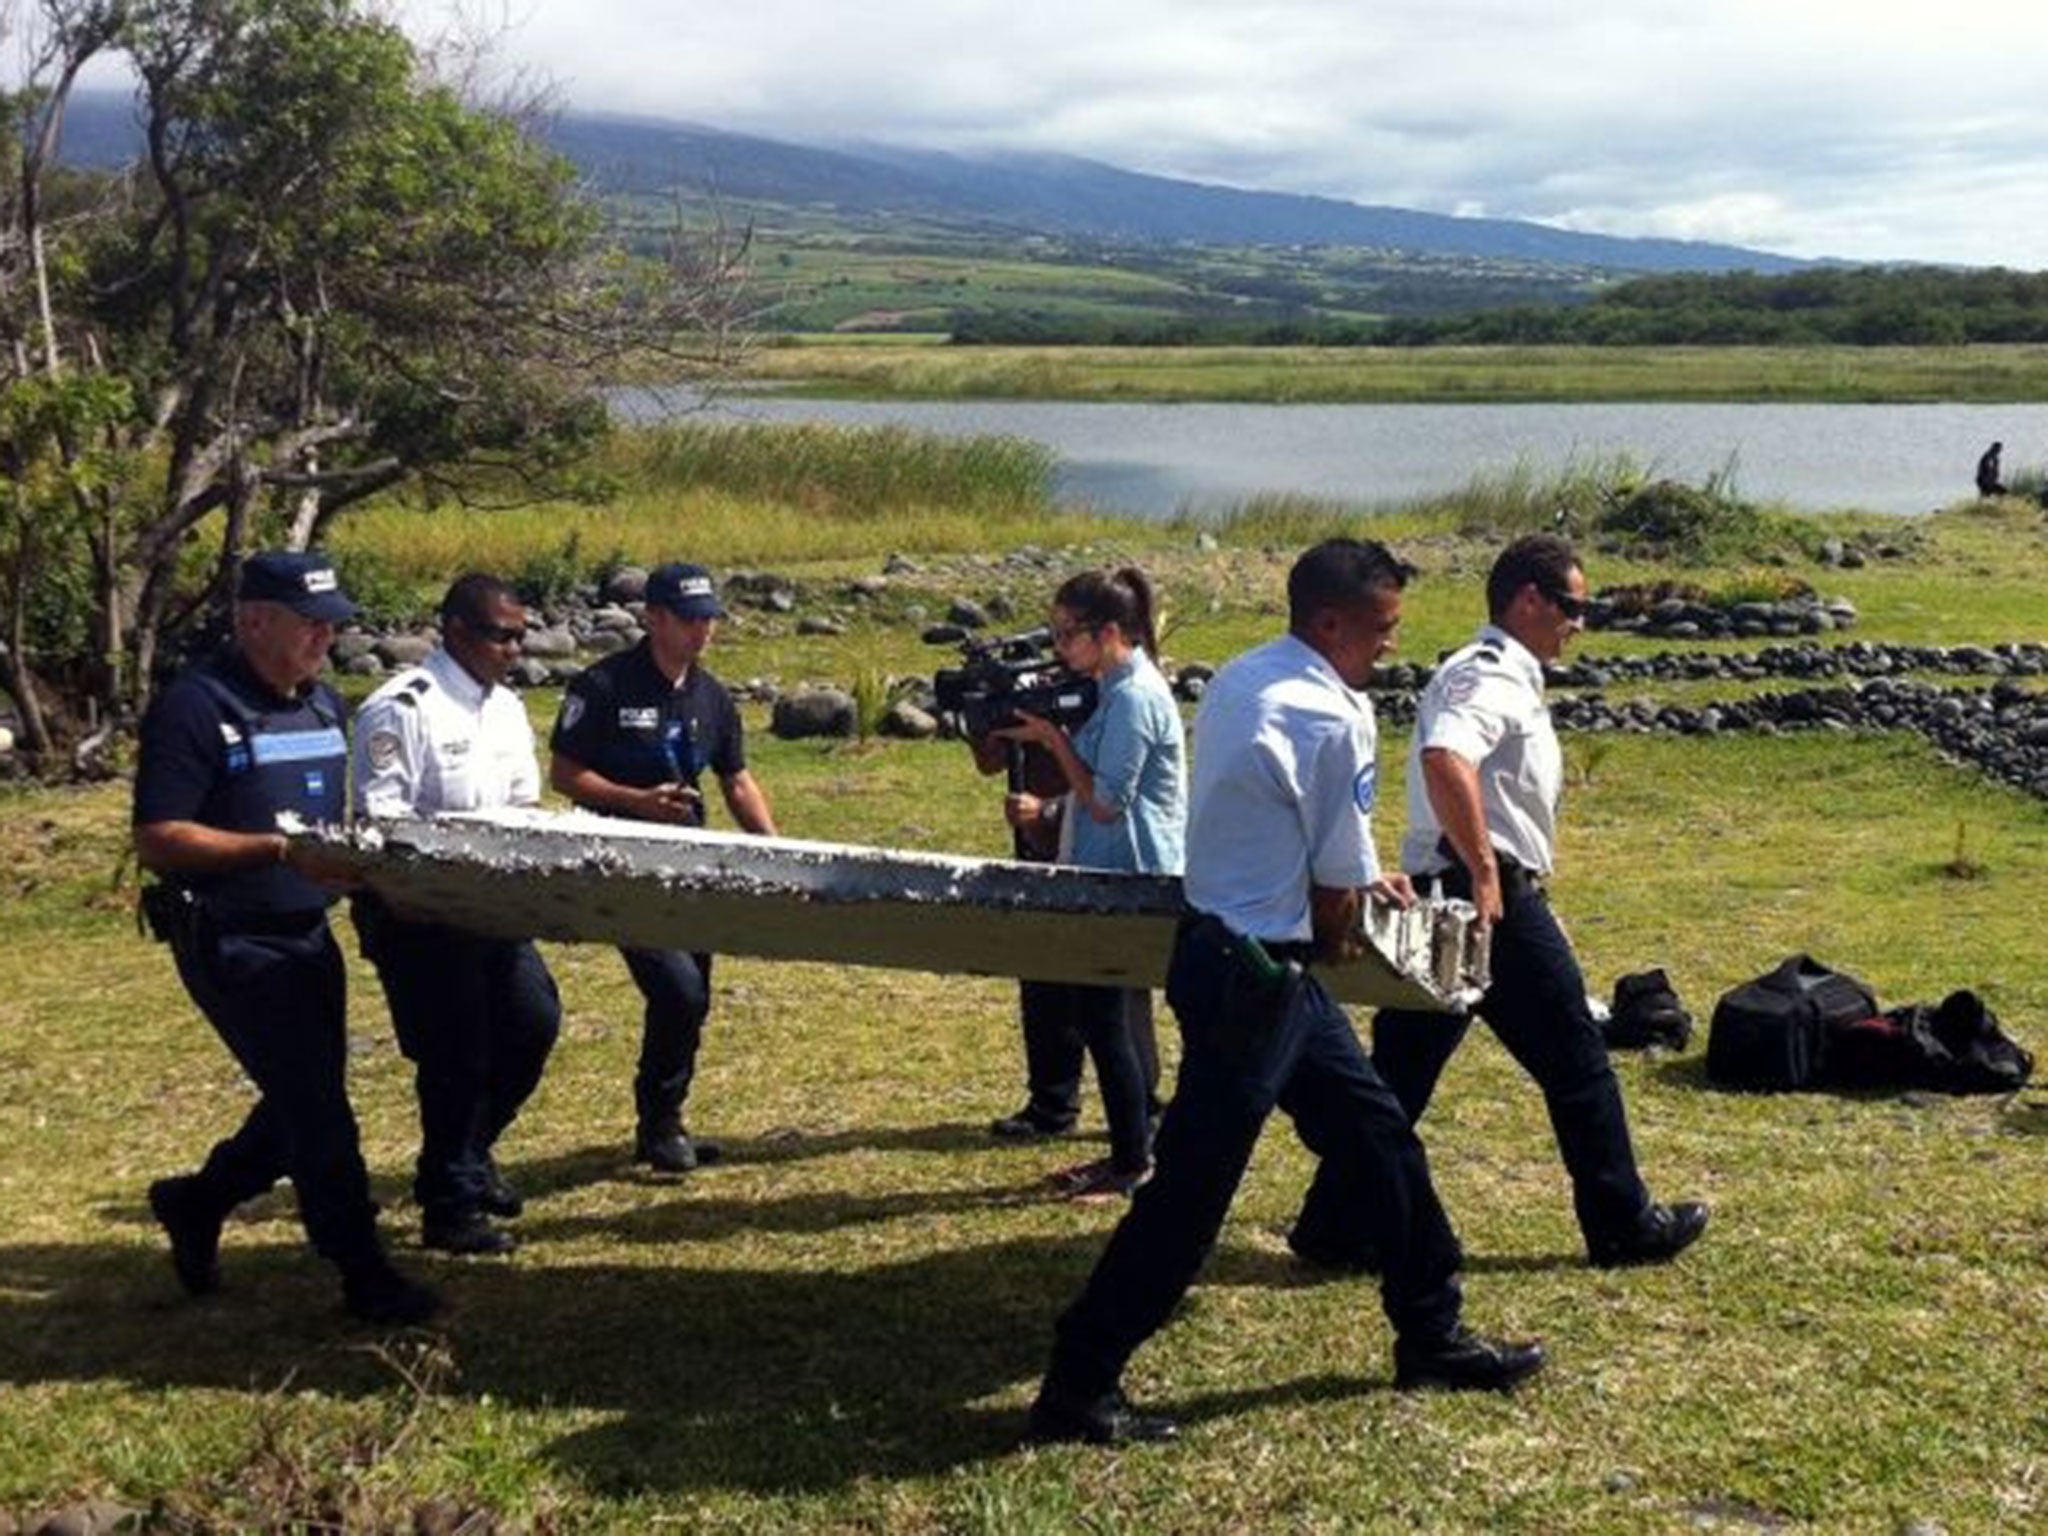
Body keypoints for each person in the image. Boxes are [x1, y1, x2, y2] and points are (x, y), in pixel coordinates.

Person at [1028, 538, 1545, 1447]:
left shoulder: (1243, 676)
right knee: (1190, 1193)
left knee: (1381, 1139)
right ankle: (1078, 1383)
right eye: (1383, 628)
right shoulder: (1334, 716)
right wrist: (1352, 915)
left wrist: (1347, 879)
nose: (1392, 643)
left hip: (1225, 953)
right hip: (1259, 979)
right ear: (1332, 623)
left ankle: (1431, 1330)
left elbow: (1285, 829)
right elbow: (1334, 900)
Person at [1289, 533, 1708, 1273]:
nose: (1579, 623)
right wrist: (1486, 872)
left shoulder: (1500, 673)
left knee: (1402, 1070)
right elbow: (1446, 758)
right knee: (1577, 1062)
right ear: (1528, 600)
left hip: (1465, 888)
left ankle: (1336, 1223)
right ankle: (1623, 1222)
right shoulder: (1490, 674)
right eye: (1571, 606)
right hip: (1486, 896)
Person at [133, 551, 438, 1325]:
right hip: (233, 937)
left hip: (308, 932)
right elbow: (160, 836)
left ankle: (198, 1200)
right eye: (308, 624)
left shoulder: (325, 706)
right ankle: (361, 1270)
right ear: (252, 621)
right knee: (319, 1109)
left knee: (303, 1097)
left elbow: (327, 825)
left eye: (331, 625)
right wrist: (273, 852)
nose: (323, 638)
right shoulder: (194, 708)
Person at [350, 573, 562, 1256]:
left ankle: (466, 1156)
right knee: (456, 1055)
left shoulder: (506, 708)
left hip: (495, 909)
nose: (514, 649)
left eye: (522, 636)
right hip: (422, 913)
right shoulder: (403, 708)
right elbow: (383, 823)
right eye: (502, 635)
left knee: (532, 1024)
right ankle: (450, 1205)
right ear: (457, 631)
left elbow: (523, 807)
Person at [548, 562, 777, 1172]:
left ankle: (663, 1122)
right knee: (676, 989)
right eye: (690, 618)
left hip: (690, 865)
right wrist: (635, 801)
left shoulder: (712, 695)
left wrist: (778, 851)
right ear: (653, 618)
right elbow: (565, 774)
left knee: (693, 995)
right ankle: (660, 1122)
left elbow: (736, 780)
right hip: (621, 865)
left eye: (710, 619)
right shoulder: (604, 685)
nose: (704, 630)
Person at [993, 567, 1184, 1200]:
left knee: (1108, 1019)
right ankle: (1128, 1151)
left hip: (1130, 871)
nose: (1059, 648)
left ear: (1108, 633)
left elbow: (1106, 802)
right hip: (1107, 867)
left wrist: (1053, 739)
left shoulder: (1134, 697)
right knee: (1101, 1016)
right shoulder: (1113, 686)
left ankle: (1133, 1160)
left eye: (1067, 634)